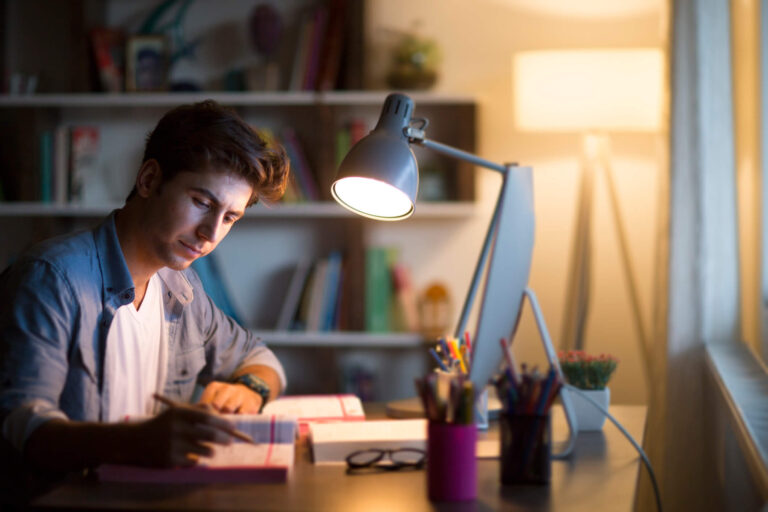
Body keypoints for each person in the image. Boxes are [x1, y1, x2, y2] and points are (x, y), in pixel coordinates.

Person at [0, 100, 290, 493]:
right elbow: (20, 427)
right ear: (150, 179)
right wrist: (133, 443)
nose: (211, 233)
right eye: (202, 203)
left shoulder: (182, 290)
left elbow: (261, 359)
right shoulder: (52, 278)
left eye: (230, 217)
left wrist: (249, 390)